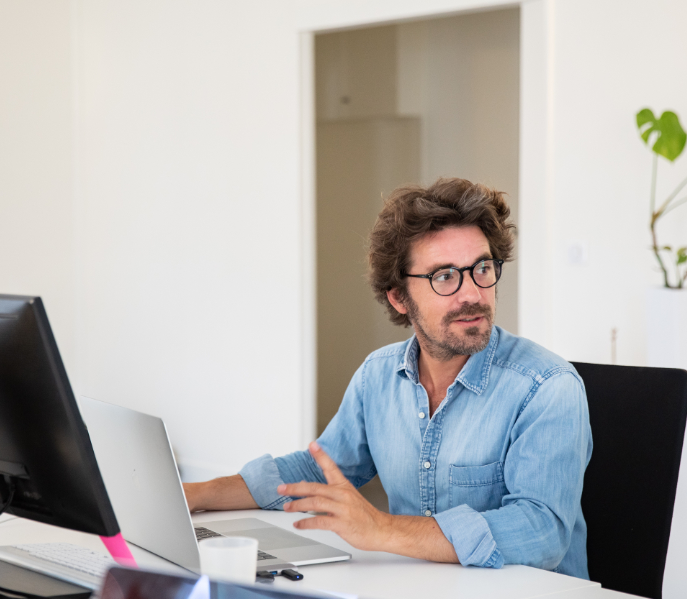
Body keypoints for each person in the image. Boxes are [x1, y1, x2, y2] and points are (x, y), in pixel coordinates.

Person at [184, 178, 592, 578]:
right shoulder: (378, 376)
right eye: (445, 276)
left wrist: (380, 529)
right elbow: (318, 471)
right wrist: (194, 495)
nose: (472, 293)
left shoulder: (547, 388)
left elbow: (540, 531)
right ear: (399, 297)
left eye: (482, 268)